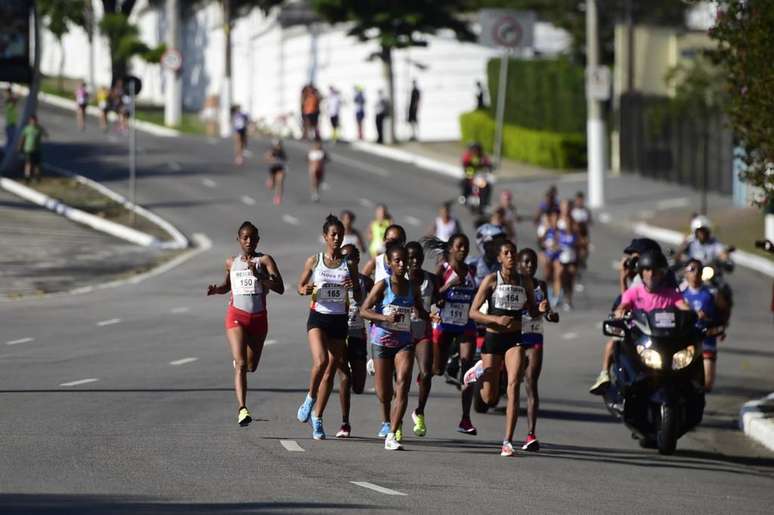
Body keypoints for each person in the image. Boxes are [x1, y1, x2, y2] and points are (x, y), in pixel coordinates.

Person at [465, 240, 546, 456]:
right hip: (493, 338)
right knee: (489, 399)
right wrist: (495, 319)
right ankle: (479, 371)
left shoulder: (525, 282)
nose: (511, 256)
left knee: (513, 386)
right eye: (506, 253)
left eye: (513, 253)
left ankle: (507, 441)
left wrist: (541, 308)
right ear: (500, 258)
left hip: (515, 339)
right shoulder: (492, 280)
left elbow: (532, 312)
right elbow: (472, 312)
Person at [206, 221, 285, 426]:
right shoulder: (231, 262)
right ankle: (243, 409)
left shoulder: (265, 260)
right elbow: (227, 286)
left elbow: (280, 287)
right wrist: (217, 290)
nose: (249, 241)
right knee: (241, 364)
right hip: (236, 315)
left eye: (252, 237)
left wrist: (260, 276)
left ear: (258, 240)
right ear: (239, 239)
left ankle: (240, 363)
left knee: (251, 366)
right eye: (245, 237)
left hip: (258, 318)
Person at [296, 215, 361, 440]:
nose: (336, 238)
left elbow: (359, 296)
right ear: (325, 236)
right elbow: (300, 286)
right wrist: (306, 289)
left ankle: (318, 418)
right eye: (333, 234)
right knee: (321, 361)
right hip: (318, 318)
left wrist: (353, 287)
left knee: (331, 372)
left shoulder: (348, 265)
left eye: (340, 235)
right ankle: (309, 398)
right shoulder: (314, 261)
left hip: (339, 320)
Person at [360, 243, 429, 450]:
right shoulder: (382, 285)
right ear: (389, 264)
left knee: (403, 384)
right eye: (397, 261)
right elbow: (364, 311)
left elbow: (419, 309)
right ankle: (376, 370)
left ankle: (392, 434)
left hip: (403, 343)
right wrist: (384, 317)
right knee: (384, 394)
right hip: (382, 342)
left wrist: (429, 314)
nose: (401, 264)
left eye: (403, 261)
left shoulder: (412, 287)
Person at [589, 237, 663, 394]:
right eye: (633, 258)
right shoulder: (636, 279)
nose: (633, 261)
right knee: (616, 340)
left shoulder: (661, 277)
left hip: (659, 327)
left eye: (637, 257)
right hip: (639, 324)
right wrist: (623, 278)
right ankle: (605, 374)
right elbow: (626, 301)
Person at [425, 233, 479, 435]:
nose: (463, 250)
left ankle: (465, 419)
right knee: (436, 370)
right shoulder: (443, 269)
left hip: (466, 325)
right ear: (451, 249)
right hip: (445, 325)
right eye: (460, 246)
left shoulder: (471, 270)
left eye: (466, 246)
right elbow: (433, 296)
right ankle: (420, 399)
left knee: (468, 371)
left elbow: (478, 294)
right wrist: (449, 285)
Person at [517, 248, 559, 451]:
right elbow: (526, 309)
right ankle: (508, 434)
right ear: (518, 264)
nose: (530, 266)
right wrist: (538, 310)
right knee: (513, 383)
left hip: (535, 337)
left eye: (533, 263)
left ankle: (531, 434)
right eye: (525, 262)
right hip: (516, 338)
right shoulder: (514, 284)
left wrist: (551, 315)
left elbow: (546, 309)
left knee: (531, 384)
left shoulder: (541, 285)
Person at [336, 244, 374, 438]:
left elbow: (378, 305)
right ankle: (345, 422)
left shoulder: (366, 282)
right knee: (344, 377)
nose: (347, 261)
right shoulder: (335, 279)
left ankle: (360, 370)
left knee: (358, 386)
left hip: (358, 332)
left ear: (358, 259)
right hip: (339, 333)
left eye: (351, 257)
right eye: (344, 258)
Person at [406, 241, 439, 438]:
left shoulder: (431, 279)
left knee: (427, 373)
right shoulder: (399, 280)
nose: (415, 260)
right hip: (402, 334)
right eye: (411, 257)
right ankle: (397, 423)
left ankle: (419, 412)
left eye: (418, 256)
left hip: (423, 333)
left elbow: (439, 299)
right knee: (401, 380)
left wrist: (439, 305)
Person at [681, 259, 725, 392]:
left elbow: (723, 310)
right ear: (685, 273)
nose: (695, 273)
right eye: (691, 270)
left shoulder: (712, 293)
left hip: (707, 340)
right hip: (686, 341)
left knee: (707, 384)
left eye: (698, 270)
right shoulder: (679, 293)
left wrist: (720, 327)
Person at [614, 250, 690, 318]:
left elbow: (685, 308)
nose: (651, 274)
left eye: (655, 271)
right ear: (641, 273)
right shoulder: (633, 293)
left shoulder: (672, 294)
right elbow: (624, 305)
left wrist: (694, 313)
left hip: (666, 333)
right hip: (640, 333)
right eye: (647, 270)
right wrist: (620, 310)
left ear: (662, 273)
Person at [18, 114, 47, 182]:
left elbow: (45, 135)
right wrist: (20, 146)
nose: (33, 122)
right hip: (28, 149)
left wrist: (44, 132)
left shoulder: (39, 128)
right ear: (30, 121)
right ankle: (27, 177)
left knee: (37, 164)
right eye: (32, 120)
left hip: (37, 149)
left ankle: (37, 177)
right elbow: (22, 138)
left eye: (35, 120)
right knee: (28, 163)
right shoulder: (27, 128)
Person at [571, 192, 592, 268]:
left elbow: (590, 222)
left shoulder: (586, 211)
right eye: (578, 200)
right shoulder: (572, 210)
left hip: (583, 233)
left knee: (585, 249)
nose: (580, 202)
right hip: (574, 233)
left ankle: (582, 261)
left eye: (581, 200)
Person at [264, 139, 287, 206]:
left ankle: (278, 197)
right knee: (272, 186)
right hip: (273, 169)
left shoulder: (282, 152)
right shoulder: (271, 151)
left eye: (279, 145)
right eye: (277, 145)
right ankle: (270, 180)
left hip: (280, 169)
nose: (278, 146)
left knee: (280, 182)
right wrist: (272, 160)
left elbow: (285, 160)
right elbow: (266, 159)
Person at [3, 87, 17, 154]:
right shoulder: (8, 102)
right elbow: (13, 100)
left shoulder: (10, 101)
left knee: (10, 140)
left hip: (11, 124)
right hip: (10, 124)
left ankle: (7, 152)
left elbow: (14, 100)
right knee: (10, 140)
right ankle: (7, 153)